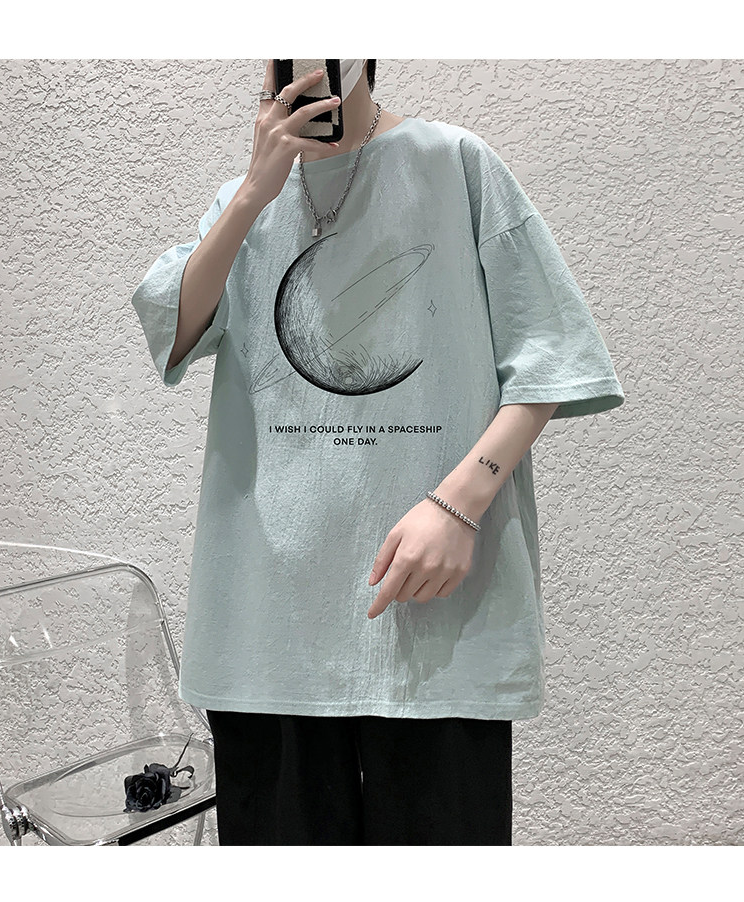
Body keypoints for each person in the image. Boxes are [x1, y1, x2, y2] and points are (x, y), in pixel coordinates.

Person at [131, 59, 625, 845]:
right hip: (269, 631)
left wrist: (459, 504)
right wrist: (255, 190)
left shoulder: (455, 163)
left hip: (432, 622)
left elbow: (550, 359)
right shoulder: (244, 200)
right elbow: (175, 330)